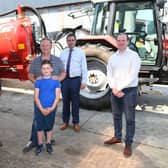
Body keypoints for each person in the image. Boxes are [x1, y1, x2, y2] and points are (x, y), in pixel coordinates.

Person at [22, 37, 66, 153]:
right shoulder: (36, 61)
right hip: (39, 95)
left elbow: (63, 73)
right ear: (40, 47)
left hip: (52, 96)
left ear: (51, 46)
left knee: (49, 118)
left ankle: (48, 139)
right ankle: (33, 140)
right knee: (37, 119)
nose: (45, 47)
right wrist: (36, 81)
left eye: (47, 45)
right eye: (42, 45)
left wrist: (58, 80)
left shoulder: (57, 60)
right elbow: (30, 75)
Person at [104, 33, 141, 157]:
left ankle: (128, 143)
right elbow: (109, 74)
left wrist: (118, 88)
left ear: (127, 41)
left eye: (123, 40)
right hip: (115, 91)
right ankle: (117, 136)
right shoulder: (113, 57)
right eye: (118, 40)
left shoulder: (134, 56)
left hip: (129, 91)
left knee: (130, 119)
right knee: (116, 116)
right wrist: (114, 88)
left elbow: (133, 75)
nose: (120, 42)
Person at [59, 33, 87, 132]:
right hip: (65, 80)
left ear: (75, 41)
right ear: (67, 42)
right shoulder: (63, 53)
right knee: (65, 102)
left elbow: (84, 68)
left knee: (75, 102)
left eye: (72, 40)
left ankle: (76, 122)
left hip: (75, 80)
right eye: (69, 40)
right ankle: (65, 122)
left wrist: (84, 81)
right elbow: (60, 67)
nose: (70, 42)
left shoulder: (80, 53)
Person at [34, 60, 60, 155]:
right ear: (41, 70)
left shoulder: (56, 82)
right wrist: (41, 108)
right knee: (40, 127)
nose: (46, 70)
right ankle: (40, 144)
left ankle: (48, 143)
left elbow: (57, 97)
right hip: (40, 108)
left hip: (51, 108)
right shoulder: (38, 82)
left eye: (48, 68)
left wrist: (52, 108)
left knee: (49, 127)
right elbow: (36, 96)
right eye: (44, 68)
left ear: (51, 69)